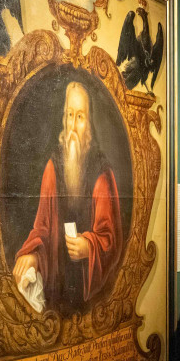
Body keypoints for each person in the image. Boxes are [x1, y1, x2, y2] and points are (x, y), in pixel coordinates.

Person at [13, 81, 123, 315]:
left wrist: (89, 246)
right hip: (57, 289)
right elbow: (42, 229)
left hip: (90, 299)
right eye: (70, 115)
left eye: (80, 117)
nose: (73, 126)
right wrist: (33, 256)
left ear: (89, 126)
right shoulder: (53, 167)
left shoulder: (102, 173)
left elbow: (111, 239)